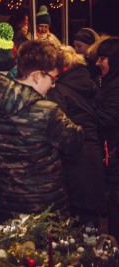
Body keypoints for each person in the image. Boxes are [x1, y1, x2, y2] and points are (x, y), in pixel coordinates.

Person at [0, 38, 84, 224]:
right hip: (41, 210)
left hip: (4, 205)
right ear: (36, 75)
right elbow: (74, 142)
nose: (54, 85)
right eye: (53, 78)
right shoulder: (48, 111)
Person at [47, 45, 103, 228]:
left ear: (61, 67)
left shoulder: (59, 89)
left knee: (75, 218)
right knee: (90, 214)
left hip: (73, 154)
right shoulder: (91, 82)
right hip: (94, 151)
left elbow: (58, 125)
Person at [94, 37, 119, 242]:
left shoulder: (116, 84)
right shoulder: (106, 80)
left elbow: (109, 117)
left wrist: (85, 116)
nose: (97, 63)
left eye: (103, 58)